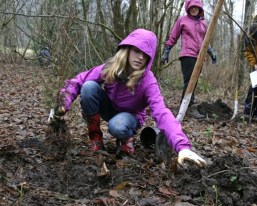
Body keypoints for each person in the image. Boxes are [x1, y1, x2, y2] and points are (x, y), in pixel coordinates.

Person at [54, 28, 207, 167]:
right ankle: (96, 138)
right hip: (109, 108)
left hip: (130, 118)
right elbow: (78, 81)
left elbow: (161, 112)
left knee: (118, 125)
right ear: (127, 49)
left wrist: (182, 147)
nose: (140, 58)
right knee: (88, 87)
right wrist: (61, 104)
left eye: (145, 55)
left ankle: (126, 139)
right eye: (136, 51)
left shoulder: (148, 81)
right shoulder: (111, 68)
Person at [161, 0, 217, 119]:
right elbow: (173, 36)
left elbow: (205, 40)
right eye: (192, 7)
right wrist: (166, 51)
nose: (194, 9)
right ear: (188, 8)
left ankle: (186, 105)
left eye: (196, 7)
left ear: (200, 8)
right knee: (189, 80)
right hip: (187, 54)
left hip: (200, 56)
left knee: (194, 81)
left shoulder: (203, 23)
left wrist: (211, 52)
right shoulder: (182, 20)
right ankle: (187, 107)